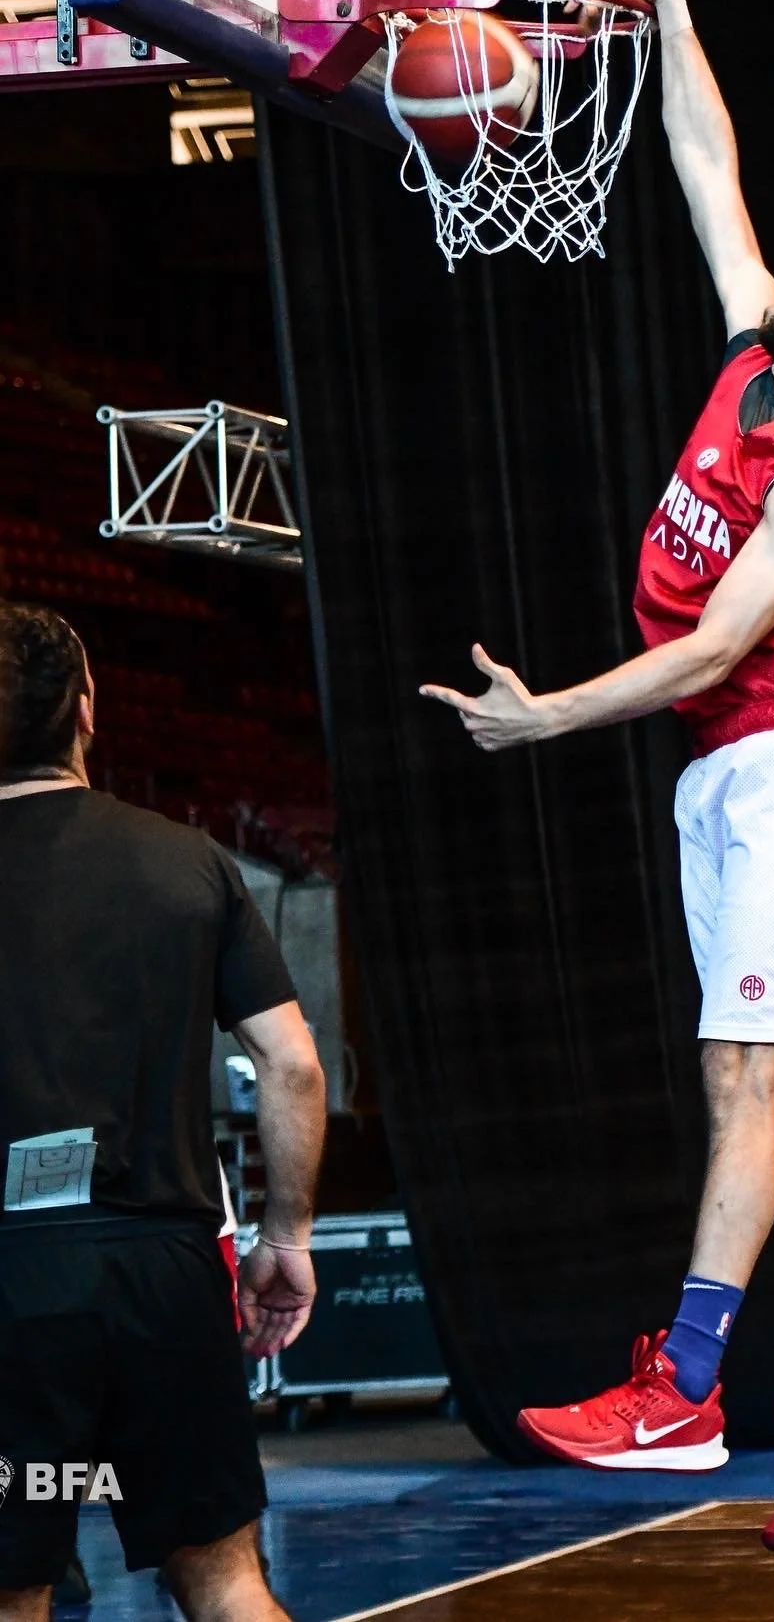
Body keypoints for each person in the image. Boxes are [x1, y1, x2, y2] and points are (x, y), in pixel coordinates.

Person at [421, 0, 774, 1551]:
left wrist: (545, 716)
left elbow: (718, 648)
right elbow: (705, 164)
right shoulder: (751, 353)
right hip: (728, 774)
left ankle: (691, 1381)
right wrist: (672, 16)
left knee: (743, 1067)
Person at [0, 603, 327, 1621]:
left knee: (12, 1590)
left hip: (14, 1282)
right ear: (87, 709)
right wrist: (287, 1233)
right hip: (166, 1278)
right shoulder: (189, 860)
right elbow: (294, 1063)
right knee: (226, 1577)